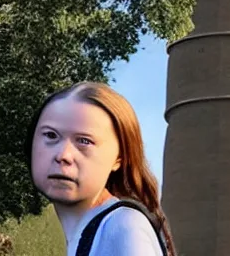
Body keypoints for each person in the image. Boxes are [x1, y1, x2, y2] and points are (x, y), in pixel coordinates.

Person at [24, 81, 176, 256]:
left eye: (84, 141)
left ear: (119, 158)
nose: (63, 155)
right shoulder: (86, 232)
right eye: (51, 135)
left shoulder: (124, 227)